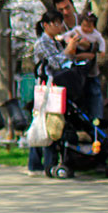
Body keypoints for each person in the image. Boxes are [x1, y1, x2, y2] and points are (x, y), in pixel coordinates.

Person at [30, 9, 82, 175]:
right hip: (46, 89)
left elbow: (68, 62)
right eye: (56, 23)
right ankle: (38, 164)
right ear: (45, 25)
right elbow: (55, 63)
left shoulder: (57, 41)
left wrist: (70, 49)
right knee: (44, 124)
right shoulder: (42, 43)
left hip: (56, 89)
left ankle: (47, 164)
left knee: (53, 124)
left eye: (60, 23)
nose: (59, 26)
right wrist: (68, 50)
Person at [60, 12, 106, 121]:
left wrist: (102, 51)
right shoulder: (77, 30)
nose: (85, 28)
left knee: (94, 102)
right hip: (76, 72)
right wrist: (66, 39)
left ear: (94, 27)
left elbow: (100, 44)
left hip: (88, 71)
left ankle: (96, 127)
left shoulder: (96, 36)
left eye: (89, 26)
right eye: (84, 25)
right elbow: (68, 36)